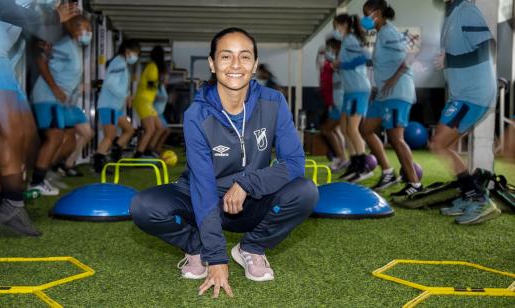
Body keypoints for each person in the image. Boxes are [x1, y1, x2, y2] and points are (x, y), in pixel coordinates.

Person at [130, 27, 318, 298]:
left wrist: (248, 183)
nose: (235, 65)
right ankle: (197, 249)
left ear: (254, 64)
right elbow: (203, 185)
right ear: (212, 63)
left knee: (306, 191)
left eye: (244, 57)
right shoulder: (197, 114)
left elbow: (294, 162)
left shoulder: (274, 101)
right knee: (143, 205)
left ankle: (251, 249)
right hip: (205, 198)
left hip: (249, 199)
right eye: (226, 56)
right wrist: (216, 257)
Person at [0, 0, 78, 236]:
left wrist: (53, 16)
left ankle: (12, 208)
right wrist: (53, 17)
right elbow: (6, 11)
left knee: (23, 135)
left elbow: (44, 13)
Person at [430, 0, 501, 224]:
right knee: (444, 145)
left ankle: (478, 198)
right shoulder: (450, 15)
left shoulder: (467, 10)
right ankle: (470, 195)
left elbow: (489, 46)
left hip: (473, 94)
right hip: (461, 94)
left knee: (439, 144)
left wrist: (449, 60)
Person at [359, 0, 423, 198]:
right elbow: (384, 64)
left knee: (396, 138)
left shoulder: (389, 32)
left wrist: (392, 80)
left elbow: (409, 57)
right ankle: (388, 172)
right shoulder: (381, 33)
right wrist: (378, 87)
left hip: (397, 91)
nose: (364, 18)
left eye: (366, 13)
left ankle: (414, 183)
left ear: (377, 14)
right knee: (366, 129)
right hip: (383, 94)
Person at [30, 15, 91, 194]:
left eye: (89, 29)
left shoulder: (74, 47)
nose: (88, 33)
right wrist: (56, 89)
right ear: (73, 28)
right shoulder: (64, 44)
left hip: (62, 101)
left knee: (70, 138)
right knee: (54, 137)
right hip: (48, 97)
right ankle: (37, 180)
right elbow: (41, 62)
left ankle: (48, 171)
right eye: (84, 28)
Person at [332, 14, 373, 182]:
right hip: (351, 91)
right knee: (346, 129)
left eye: (336, 25)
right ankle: (355, 164)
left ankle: (363, 167)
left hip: (359, 90)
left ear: (343, 24)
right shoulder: (347, 40)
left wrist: (342, 65)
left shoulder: (350, 39)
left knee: (353, 129)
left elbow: (365, 59)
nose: (336, 29)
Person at [93, 40, 140, 172]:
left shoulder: (121, 63)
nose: (135, 56)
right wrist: (125, 95)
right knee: (110, 136)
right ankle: (98, 163)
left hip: (116, 107)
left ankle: (115, 155)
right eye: (135, 53)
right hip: (109, 105)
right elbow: (111, 83)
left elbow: (119, 84)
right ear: (127, 51)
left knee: (129, 130)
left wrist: (127, 95)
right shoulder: (119, 62)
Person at [318, 38, 350, 172]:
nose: (328, 49)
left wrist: (324, 53)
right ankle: (342, 159)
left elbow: (331, 62)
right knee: (335, 130)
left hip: (339, 101)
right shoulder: (333, 60)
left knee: (327, 129)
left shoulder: (339, 60)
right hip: (334, 100)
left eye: (330, 47)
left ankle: (341, 158)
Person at [132, 45, 168, 157]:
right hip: (143, 100)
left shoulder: (154, 67)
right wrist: (160, 83)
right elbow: (151, 84)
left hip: (148, 102)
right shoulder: (152, 67)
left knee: (160, 128)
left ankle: (149, 149)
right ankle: (138, 154)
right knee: (150, 129)